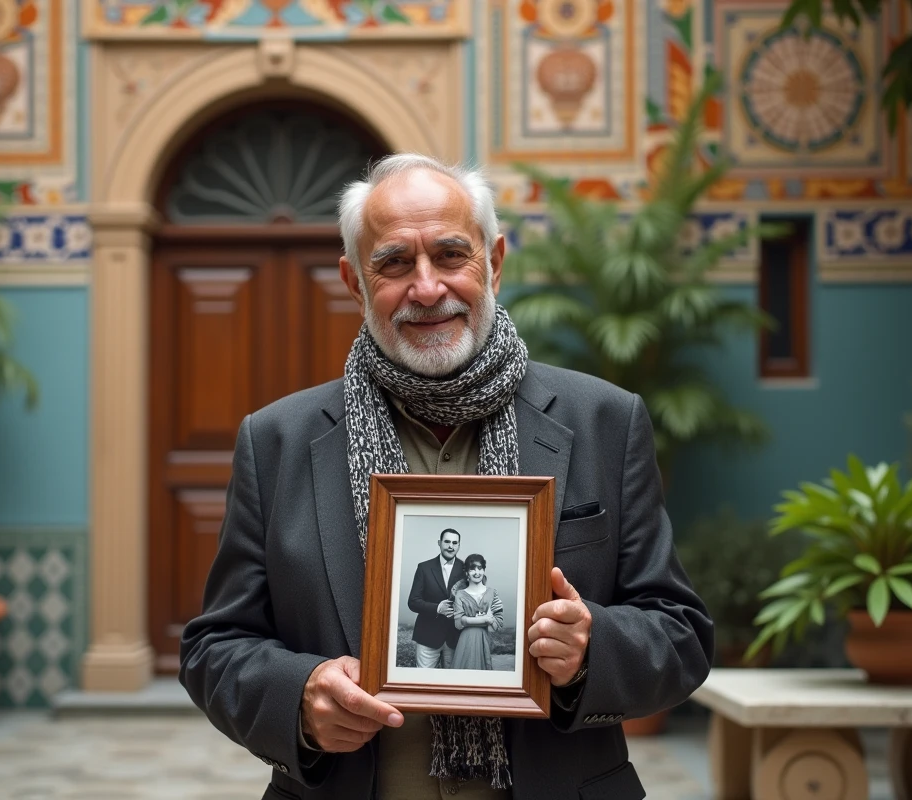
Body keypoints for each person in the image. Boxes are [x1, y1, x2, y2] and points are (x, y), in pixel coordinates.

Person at [179, 153, 714, 800]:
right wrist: (301, 697)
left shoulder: (605, 421)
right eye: (395, 263)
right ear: (354, 281)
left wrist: (590, 650)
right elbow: (215, 647)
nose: (427, 288)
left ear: (495, 262)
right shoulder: (276, 442)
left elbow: (680, 634)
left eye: (451, 256)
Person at [406, 527, 465, 668]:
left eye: (455, 543)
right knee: (422, 682)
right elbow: (413, 602)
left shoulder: (466, 569)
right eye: (447, 542)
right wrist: (438, 608)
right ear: (439, 543)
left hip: (455, 638)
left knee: (452, 685)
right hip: (427, 636)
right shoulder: (423, 568)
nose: (451, 546)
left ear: (459, 545)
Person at [450, 553, 505, 671]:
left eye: (480, 568)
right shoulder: (460, 594)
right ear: (467, 573)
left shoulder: (493, 593)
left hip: (484, 639)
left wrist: (468, 620)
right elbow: (458, 623)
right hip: (465, 641)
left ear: (484, 570)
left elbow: (497, 625)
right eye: (472, 569)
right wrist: (485, 619)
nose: (477, 572)